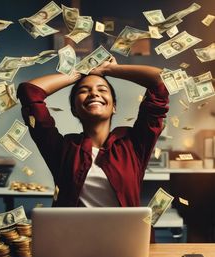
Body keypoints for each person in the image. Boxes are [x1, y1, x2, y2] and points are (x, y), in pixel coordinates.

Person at [17, 58, 169, 229]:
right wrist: (82, 72)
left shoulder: (134, 144)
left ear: (114, 107)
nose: (94, 93)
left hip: (124, 242)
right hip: (72, 246)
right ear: (74, 109)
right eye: (84, 90)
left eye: (102, 89)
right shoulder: (62, 149)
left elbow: (160, 81)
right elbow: (29, 92)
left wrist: (110, 69)